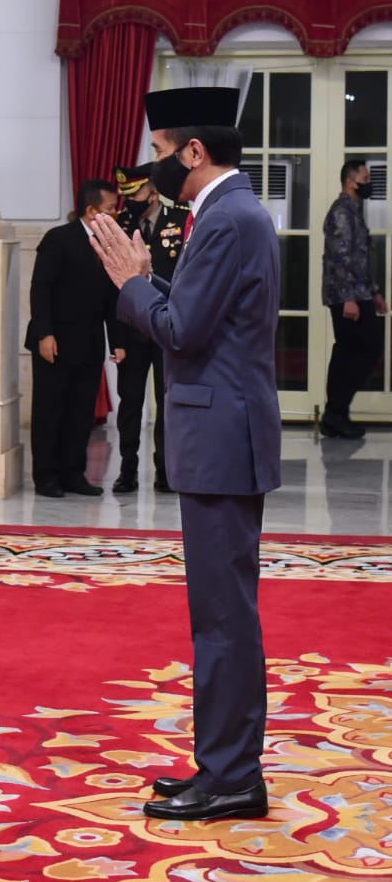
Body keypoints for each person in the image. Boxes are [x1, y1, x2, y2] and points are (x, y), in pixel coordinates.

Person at [90, 85, 280, 823]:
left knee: (222, 618)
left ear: (194, 152)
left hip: (219, 437)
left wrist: (131, 284)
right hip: (223, 430)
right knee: (221, 613)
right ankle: (224, 766)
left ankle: (230, 776)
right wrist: (151, 282)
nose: (155, 165)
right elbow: (202, 312)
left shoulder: (226, 217)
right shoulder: (228, 212)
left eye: (163, 152)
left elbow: (183, 330)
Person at [25, 179, 126, 499]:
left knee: (81, 412)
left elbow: (112, 298)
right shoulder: (59, 239)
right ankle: (46, 476)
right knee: (50, 410)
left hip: (90, 342)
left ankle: (73, 473)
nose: (115, 213)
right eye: (110, 208)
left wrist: (118, 340)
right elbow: (41, 288)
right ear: (91, 210)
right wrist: (45, 333)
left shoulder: (107, 244)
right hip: (55, 342)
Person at [112, 163, 189, 495]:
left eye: (137, 193)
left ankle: (165, 471)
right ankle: (127, 470)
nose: (131, 201)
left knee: (167, 401)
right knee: (130, 403)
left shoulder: (181, 220)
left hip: (166, 323)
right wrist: (115, 338)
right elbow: (111, 286)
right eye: (126, 196)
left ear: (153, 191)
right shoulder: (121, 225)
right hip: (131, 328)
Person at [320, 158, 387, 439]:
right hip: (346, 296)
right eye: (365, 177)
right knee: (356, 351)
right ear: (351, 181)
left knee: (354, 352)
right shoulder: (342, 213)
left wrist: (374, 293)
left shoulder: (354, 211)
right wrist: (348, 297)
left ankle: (337, 413)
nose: (369, 182)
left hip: (359, 293)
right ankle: (335, 414)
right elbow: (339, 258)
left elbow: (360, 259)